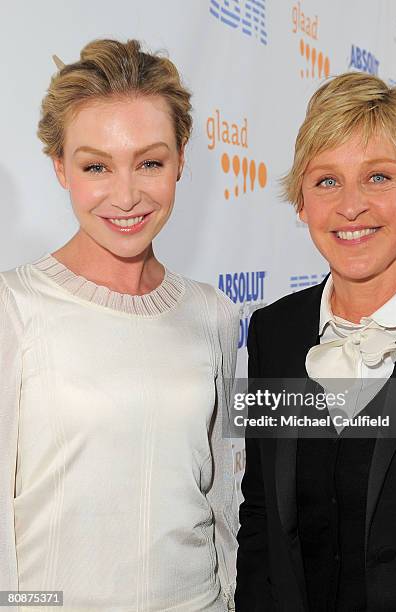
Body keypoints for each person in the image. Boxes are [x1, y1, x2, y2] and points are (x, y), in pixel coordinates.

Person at [0, 38, 239, 611]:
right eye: (96, 166)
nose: (126, 195)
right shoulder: (14, 308)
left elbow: (228, 496)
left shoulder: (214, 313)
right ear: (60, 167)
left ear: (182, 158)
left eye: (150, 162)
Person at [235, 72, 396, 611]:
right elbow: (261, 518)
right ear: (301, 204)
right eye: (326, 182)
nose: (350, 206)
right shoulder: (273, 332)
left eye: (379, 178)